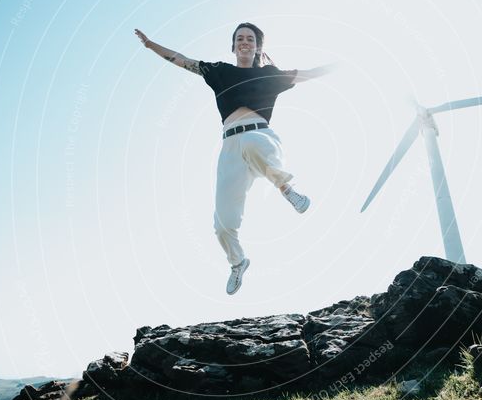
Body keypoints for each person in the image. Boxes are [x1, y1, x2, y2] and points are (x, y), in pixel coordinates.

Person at [134, 22, 337, 294]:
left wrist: (343, 64)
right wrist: (150, 45)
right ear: (233, 46)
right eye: (239, 38)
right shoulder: (220, 72)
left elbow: (310, 74)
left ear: (257, 46)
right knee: (222, 223)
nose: (244, 42)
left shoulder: (270, 76)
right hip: (230, 147)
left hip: (261, 137)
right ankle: (238, 262)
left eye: (250, 39)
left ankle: (287, 188)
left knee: (253, 142)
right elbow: (182, 61)